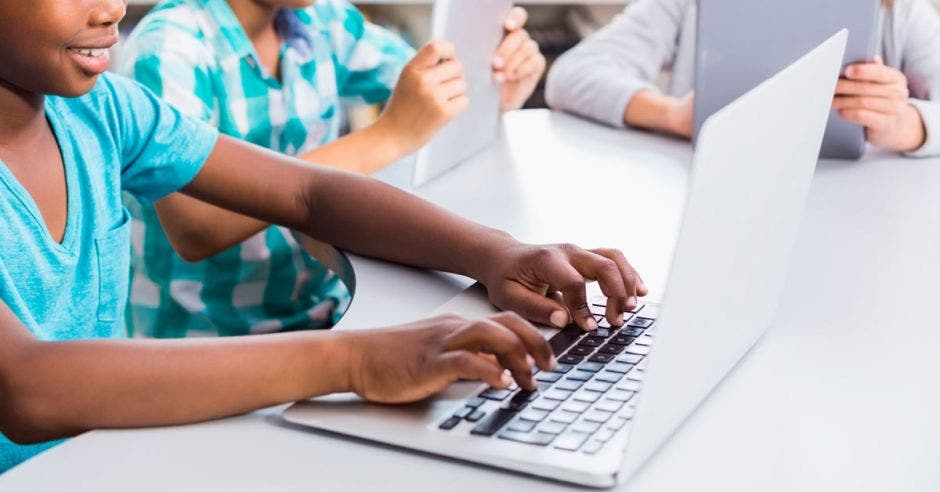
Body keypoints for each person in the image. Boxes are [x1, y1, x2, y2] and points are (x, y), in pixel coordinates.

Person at [0, 0, 643, 472]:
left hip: (112, 451)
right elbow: (25, 386)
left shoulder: (99, 106)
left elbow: (307, 193)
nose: (113, 9)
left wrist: (495, 252)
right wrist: (356, 360)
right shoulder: (157, 55)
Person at [115, 0, 547, 339]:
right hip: (209, 339)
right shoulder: (167, 50)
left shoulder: (324, 19)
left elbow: (431, 97)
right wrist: (390, 134)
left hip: (326, 312)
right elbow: (196, 229)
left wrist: (494, 85)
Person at [545, 0, 940, 157]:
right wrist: (674, 116)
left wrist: (905, 125)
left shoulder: (899, 12)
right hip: (713, 196)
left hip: (865, 211)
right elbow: (571, 75)